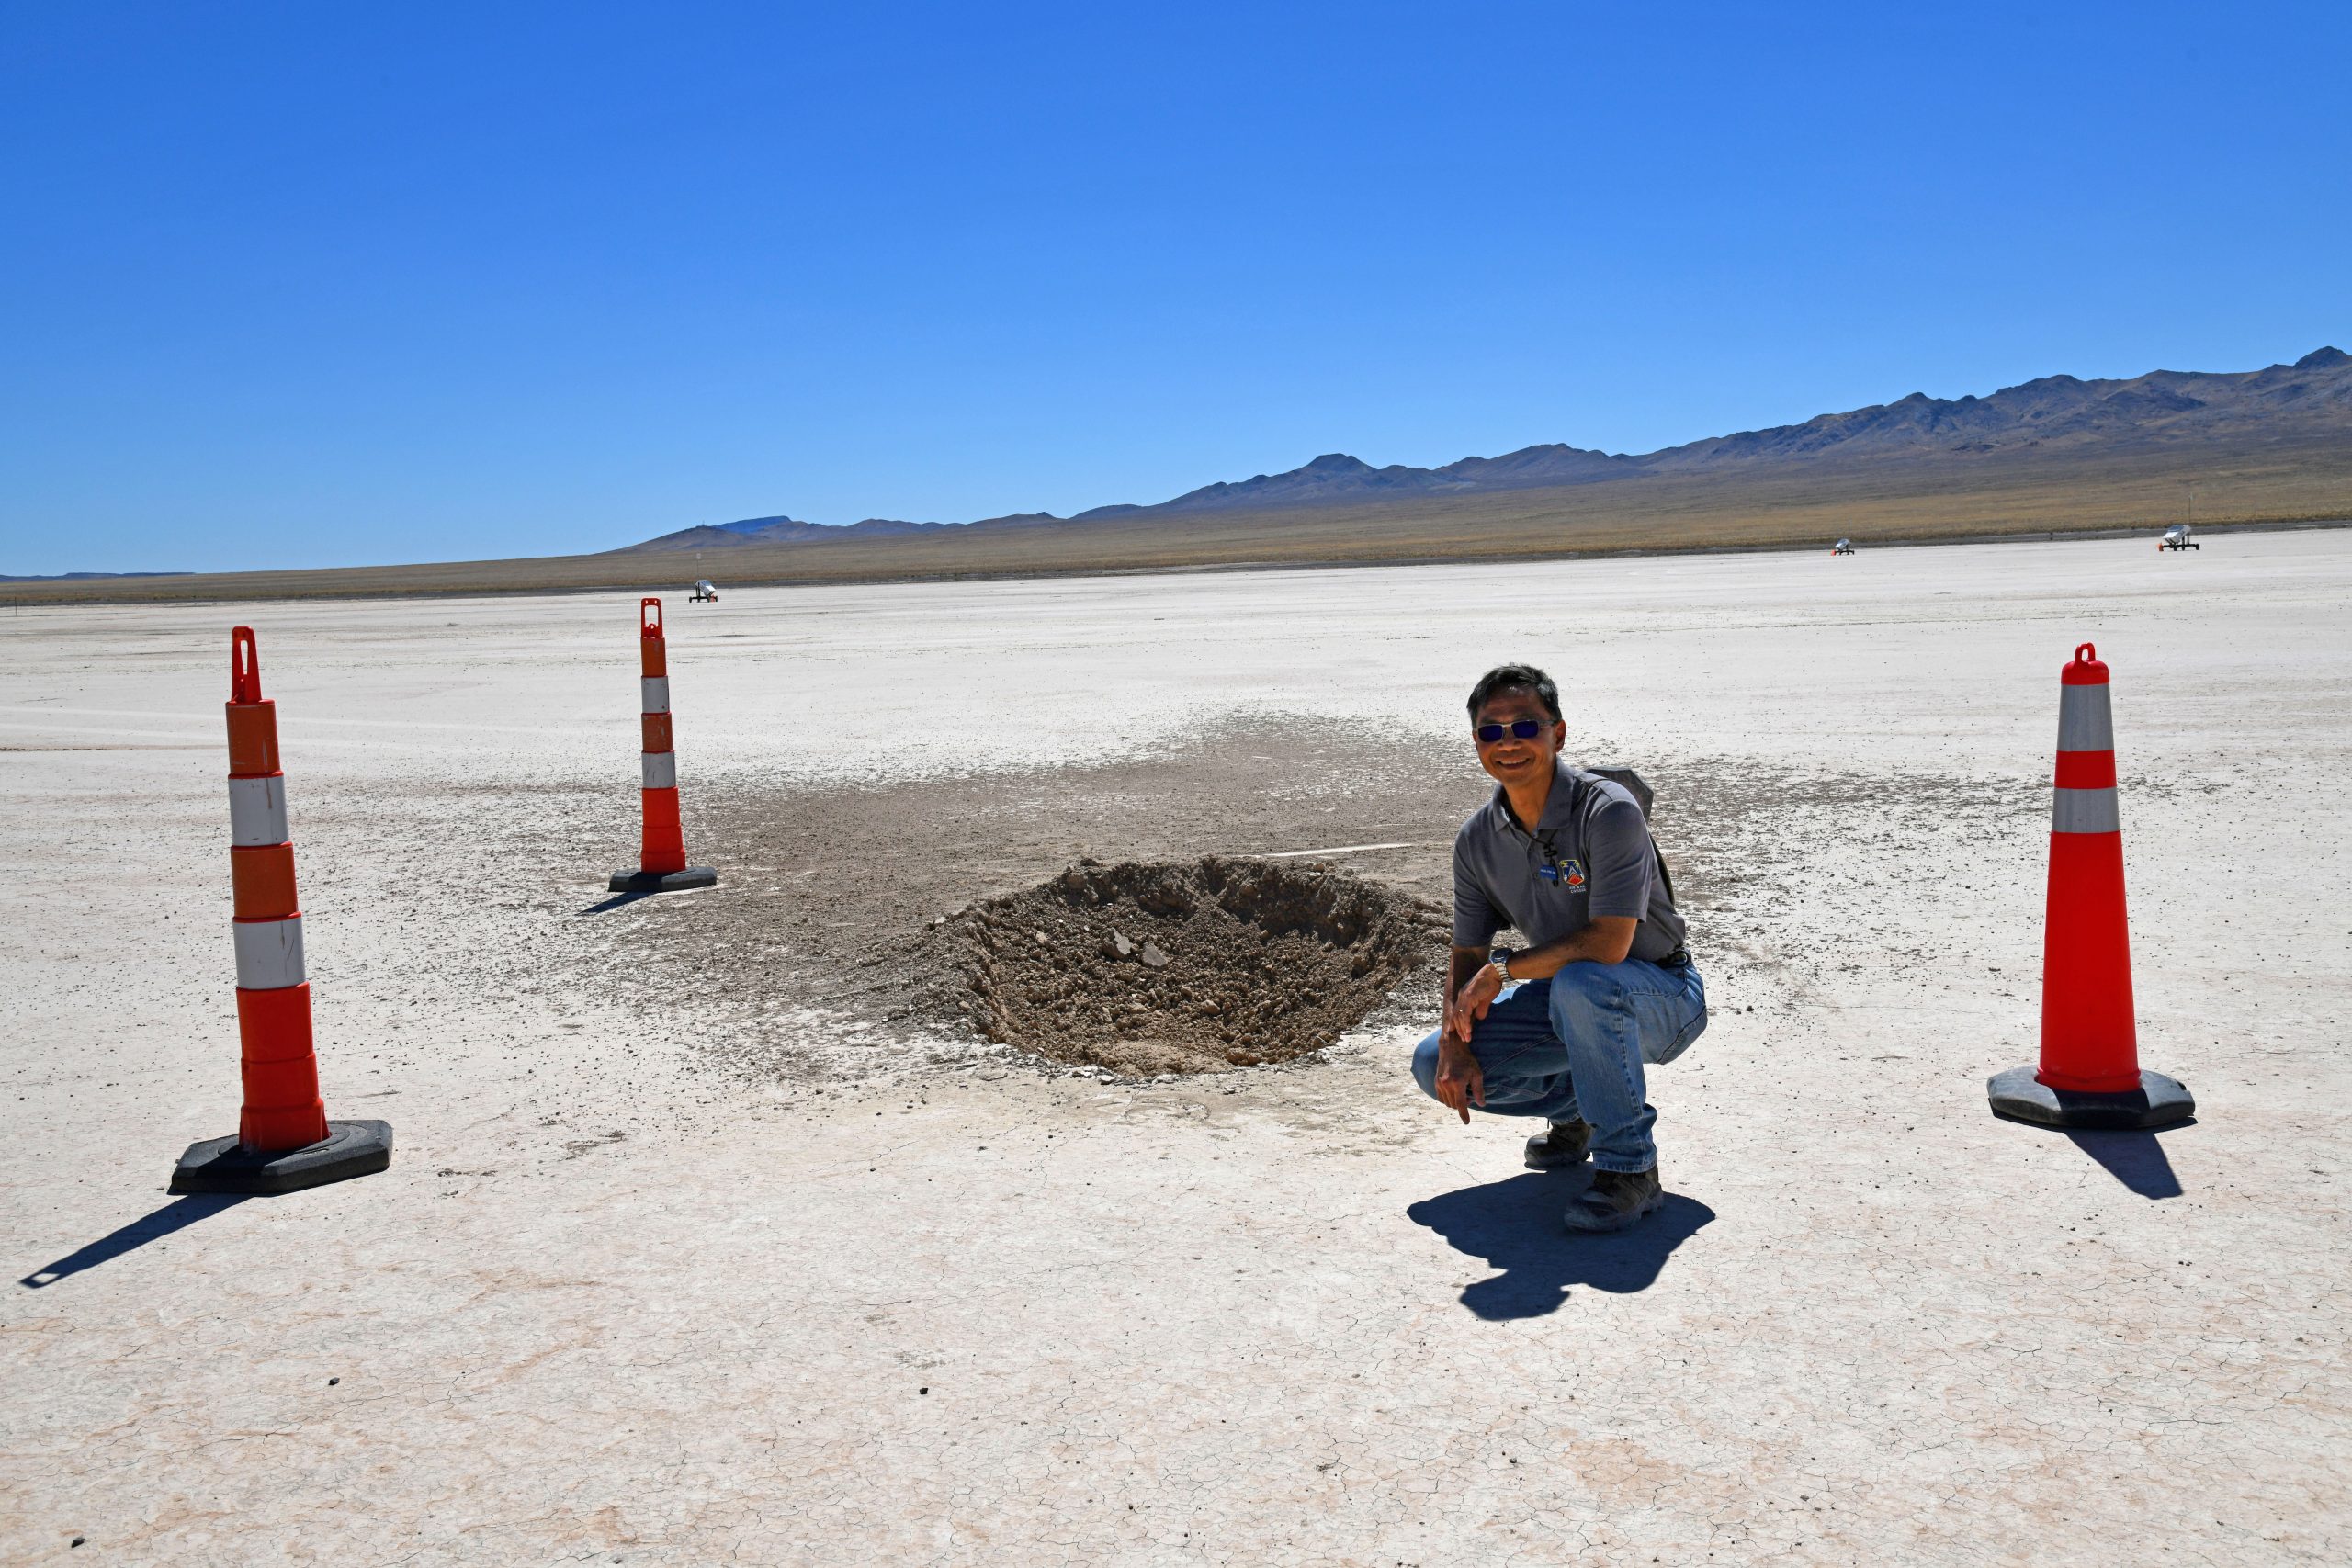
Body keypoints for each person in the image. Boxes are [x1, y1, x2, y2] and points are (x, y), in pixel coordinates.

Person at [1411, 663, 1707, 1233]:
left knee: (1582, 983)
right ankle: (1579, 1110)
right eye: (1491, 731)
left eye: (1526, 726)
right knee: (1432, 1066)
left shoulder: (1608, 810)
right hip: (1569, 1004)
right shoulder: (1477, 839)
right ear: (1476, 742)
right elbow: (1466, 955)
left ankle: (1630, 1168)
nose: (1508, 742)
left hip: (1663, 996)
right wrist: (1453, 1042)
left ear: (1559, 733)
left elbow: (1611, 944)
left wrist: (1504, 970)